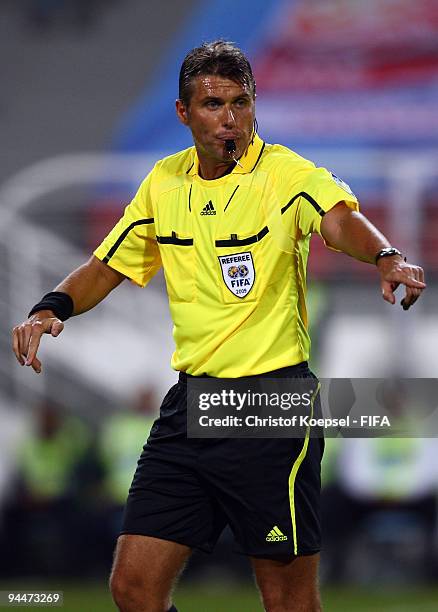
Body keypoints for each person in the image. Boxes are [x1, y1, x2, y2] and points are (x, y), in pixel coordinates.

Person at [12, 40, 425, 612]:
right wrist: (50, 307)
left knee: (288, 602)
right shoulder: (164, 183)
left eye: (241, 103)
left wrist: (386, 257)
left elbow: (340, 221)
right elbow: (107, 264)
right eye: (212, 104)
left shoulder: (283, 173)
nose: (229, 119)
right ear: (184, 113)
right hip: (190, 409)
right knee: (133, 589)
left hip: (271, 406)